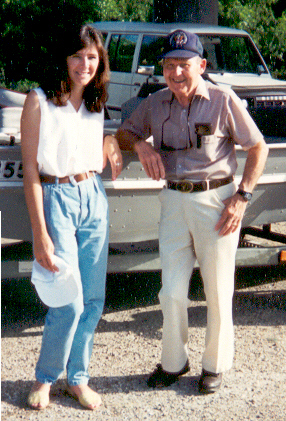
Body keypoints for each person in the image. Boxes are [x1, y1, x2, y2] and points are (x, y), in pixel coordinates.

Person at [114, 29, 269, 393]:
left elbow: (258, 147)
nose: (176, 72)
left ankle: (214, 365)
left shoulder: (222, 99)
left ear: (200, 65)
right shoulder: (154, 103)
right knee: (170, 292)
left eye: (184, 64)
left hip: (218, 202)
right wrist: (141, 146)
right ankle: (174, 362)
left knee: (217, 290)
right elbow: (123, 134)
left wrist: (242, 195)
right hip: (173, 202)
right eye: (169, 65)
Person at [21, 24, 122, 410]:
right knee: (68, 300)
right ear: (65, 58)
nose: (85, 64)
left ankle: (77, 378)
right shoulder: (39, 100)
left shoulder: (96, 102)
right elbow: (31, 171)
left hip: (93, 196)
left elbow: (97, 144)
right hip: (56, 196)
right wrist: (40, 234)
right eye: (78, 56)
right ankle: (46, 377)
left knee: (94, 298)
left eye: (93, 57)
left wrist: (110, 141)